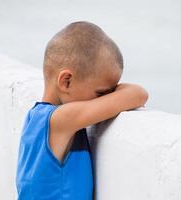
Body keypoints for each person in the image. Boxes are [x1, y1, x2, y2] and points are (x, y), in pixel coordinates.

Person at [15, 21, 149, 200]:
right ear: (66, 81)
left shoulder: (36, 118)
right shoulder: (61, 120)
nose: (104, 99)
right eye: (101, 92)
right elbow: (138, 94)